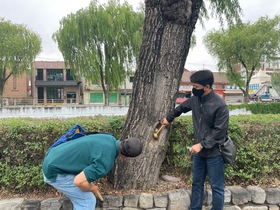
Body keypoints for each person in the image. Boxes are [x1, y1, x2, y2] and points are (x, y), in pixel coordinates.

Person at [162, 70, 229, 210]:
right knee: (196, 183)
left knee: (217, 187)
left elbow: (219, 132)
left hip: (215, 153)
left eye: (196, 87)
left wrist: (202, 145)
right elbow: (180, 108)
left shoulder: (220, 105)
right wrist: (168, 119)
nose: (194, 90)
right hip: (200, 154)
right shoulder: (195, 100)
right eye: (193, 86)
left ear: (207, 87)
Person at [42, 133, 143, 210]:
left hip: (53, 156)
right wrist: (91, 187)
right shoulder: (105, 162)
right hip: (54, 172)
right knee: (87, 201)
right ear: (126, 157)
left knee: (82, 197)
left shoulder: (108, 137)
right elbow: (79, 181)